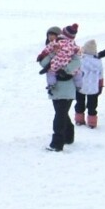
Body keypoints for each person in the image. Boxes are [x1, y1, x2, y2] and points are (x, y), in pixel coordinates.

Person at [37, 24, 80, 152]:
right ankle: (69, 136)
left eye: (53, 35)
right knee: (61, 113)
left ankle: (57, 143)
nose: (51, 38)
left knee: (60, 115)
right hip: (55, 88)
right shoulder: (50, 50)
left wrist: (65, 70)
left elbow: (77, 63)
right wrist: (52, 55)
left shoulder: (71, 49)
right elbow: (42, 63)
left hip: (67, 87)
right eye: (49, 35)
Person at [74, 39, 104, 129]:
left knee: (80, 103)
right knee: (92, 105)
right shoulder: (98, 61)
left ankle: (79, 120)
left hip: (81, 86)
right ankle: (92, 122)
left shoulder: (80, 60)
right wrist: (100, 86)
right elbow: (100, 76)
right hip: (93, 88)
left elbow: (76, 72)